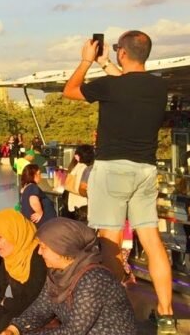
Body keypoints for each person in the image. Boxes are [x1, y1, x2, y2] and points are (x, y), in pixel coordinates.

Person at [62, 31, 176, 332]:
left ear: (122, 53)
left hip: (112, 169)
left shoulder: (110, 86)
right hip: (145, 170)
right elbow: (127, 83)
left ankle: (114, 314)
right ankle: (166, 315)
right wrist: (105, 63)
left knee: (109, 243)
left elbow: (70, 90)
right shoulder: (158, 86)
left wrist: (87, 61)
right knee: (151, 241)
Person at [0, 218, 137, 335]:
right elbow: (41, 309)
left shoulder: (93, 279)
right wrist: (14, 329)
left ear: (61, 248)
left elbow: (74, 331)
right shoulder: (56, 274)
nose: (39, 252)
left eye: (43, 247)